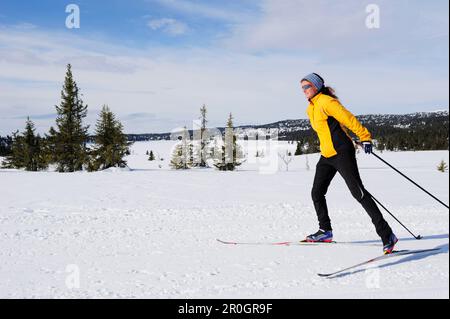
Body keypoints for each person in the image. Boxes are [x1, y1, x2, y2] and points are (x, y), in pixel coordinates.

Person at [300, 72, 398, 254]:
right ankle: (325, 231)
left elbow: (348, 118)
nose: (304, 91)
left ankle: (387, 235)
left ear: (317, 86)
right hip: (327, 155)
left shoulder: (327, 102)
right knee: (317, 192)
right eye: (302, 88)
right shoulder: (311, 107)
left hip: (342, 152)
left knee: (358, 193)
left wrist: (365, 137)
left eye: (307, 86)